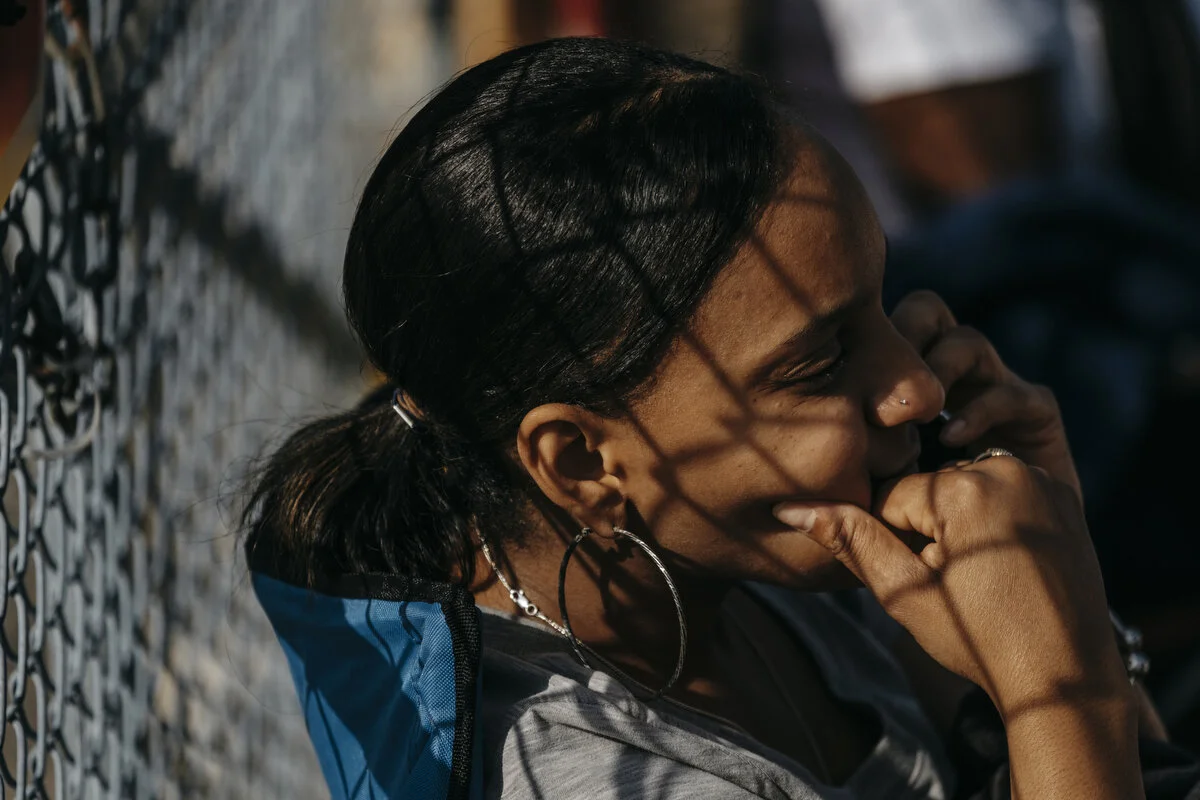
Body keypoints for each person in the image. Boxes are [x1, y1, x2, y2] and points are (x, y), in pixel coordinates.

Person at [243, 38, 1197, 799]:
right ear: (581, 464)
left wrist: (1054, 587)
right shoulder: (582, 773)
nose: (916, 385)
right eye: (820, 363)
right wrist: (1060, 690)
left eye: (882, 301)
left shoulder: (749, 552)